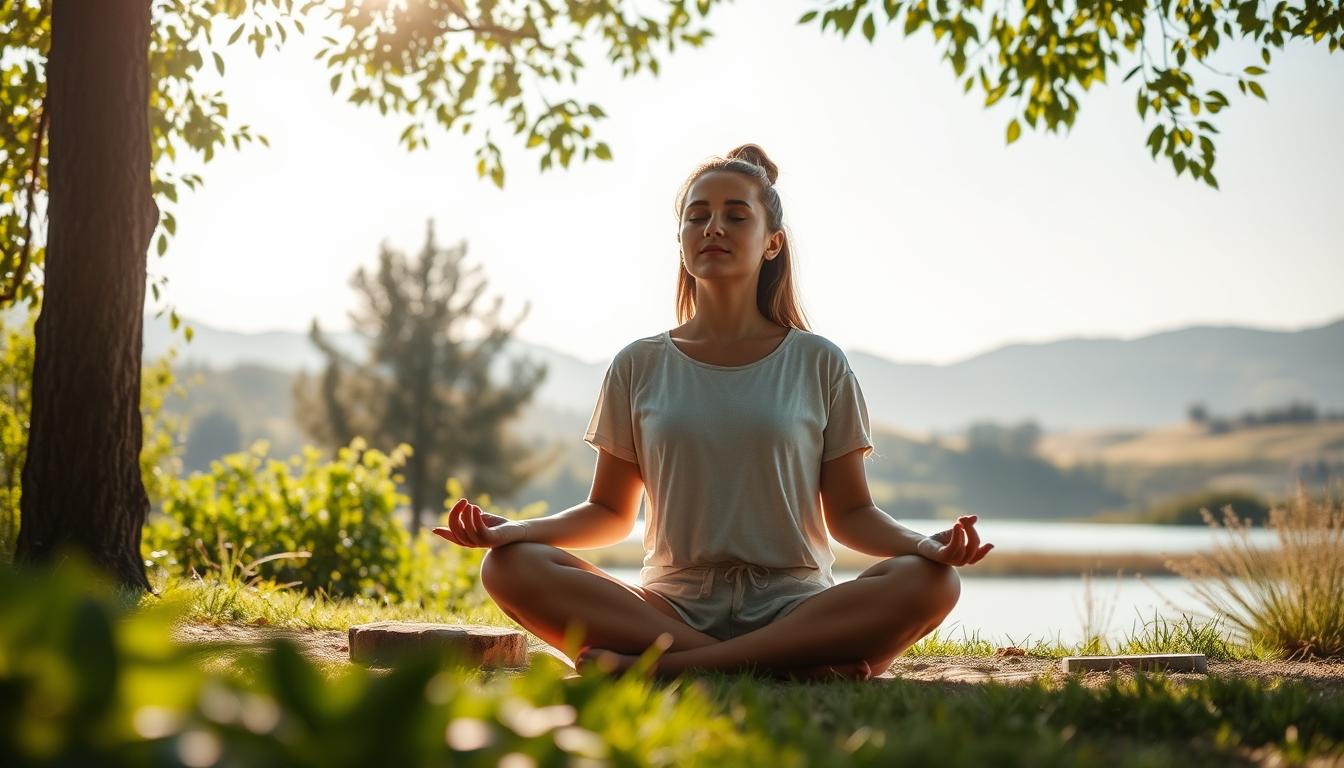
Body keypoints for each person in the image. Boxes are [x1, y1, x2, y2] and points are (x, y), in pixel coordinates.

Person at [432, 144, 993, 680]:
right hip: (670, 609)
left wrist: (925, 546)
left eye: (734, 216)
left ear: (772, 243)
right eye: (697, 217)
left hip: (794, 605)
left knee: (932, 583)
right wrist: (518, 531)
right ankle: (785, 664)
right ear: (680, 242)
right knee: (508, 567)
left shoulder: (819, 362)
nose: (713, 228)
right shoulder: (637, 364)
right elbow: (609, 511)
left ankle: (672, 667)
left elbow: (850, 516)